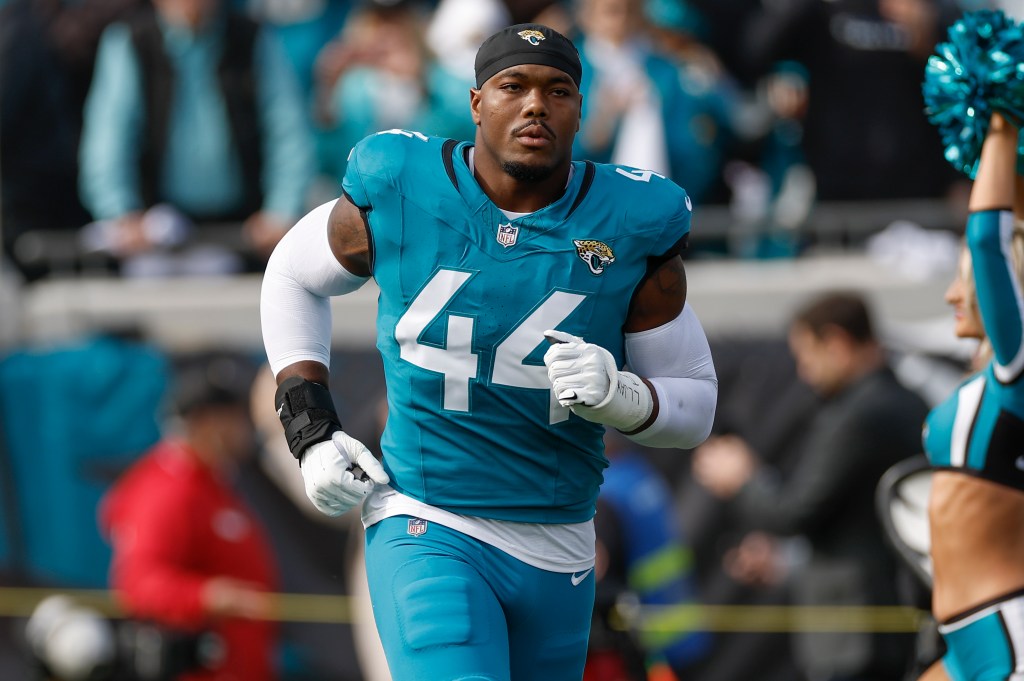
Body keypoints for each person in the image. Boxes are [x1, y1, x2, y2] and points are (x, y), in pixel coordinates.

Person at [259, 22, 719, 680]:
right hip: (427, 519)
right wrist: (310, 428)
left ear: (580, 108)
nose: (536, 105)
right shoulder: (402, 182)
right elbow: (291, 272)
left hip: (560, 540)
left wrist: (623, 396)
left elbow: (695, 403)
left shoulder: (630, 220)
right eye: (514, 86)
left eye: (557, 90)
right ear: (477, 102)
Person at [692, 291, 929, 681]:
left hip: (857, 636)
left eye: (806, 357)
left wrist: (741, 479)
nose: (804, 373)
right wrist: (787, 562)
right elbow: (854, 526)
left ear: (836, 343)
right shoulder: (902, 402)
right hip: (882, 622)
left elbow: (794, 511)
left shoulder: (861, 414)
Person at [78, 0, 315, 275]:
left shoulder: (255, 38)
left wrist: (280, 211)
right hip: (151, 239)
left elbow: (288, 133)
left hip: (243, 234)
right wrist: (120, 212)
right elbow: (107, 141)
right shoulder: (128, 40)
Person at [918, 112, 1024, 681]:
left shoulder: (1018, 375)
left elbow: (987, 238)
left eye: (967, 278)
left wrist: (1002, 124)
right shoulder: (986, 379)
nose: (951, 294)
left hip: (1009, 636)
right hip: (964, 640)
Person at [99, 351, 279, 681]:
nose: (246, 426)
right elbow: (137, 583)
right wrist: (207, 596)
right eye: (236, 416)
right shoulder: (168, 489)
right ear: (207, 422)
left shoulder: (213, 482)